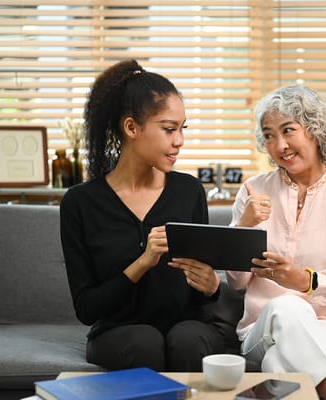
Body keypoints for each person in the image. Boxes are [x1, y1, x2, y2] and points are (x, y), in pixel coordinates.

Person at [59, 60, 225, 372]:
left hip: (186, 328)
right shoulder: (80, 203)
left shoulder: (189, 191)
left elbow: (202, 295)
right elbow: (87, 308)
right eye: (168, 129)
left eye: (182, 129)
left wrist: (212, 285)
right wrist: (142, 262)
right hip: (118, 334)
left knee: (188, 338)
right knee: (143, 341)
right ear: (132, 128)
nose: (179, 141)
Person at [226, 85, 326, 399]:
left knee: (278, 365)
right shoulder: (253, 191)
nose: (279, 145)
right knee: (287, 306)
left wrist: (304, 280)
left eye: (288, 131)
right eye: (269, 135)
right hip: (265, 329)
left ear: (316, 130)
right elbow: (237, 282)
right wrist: (244, 226)